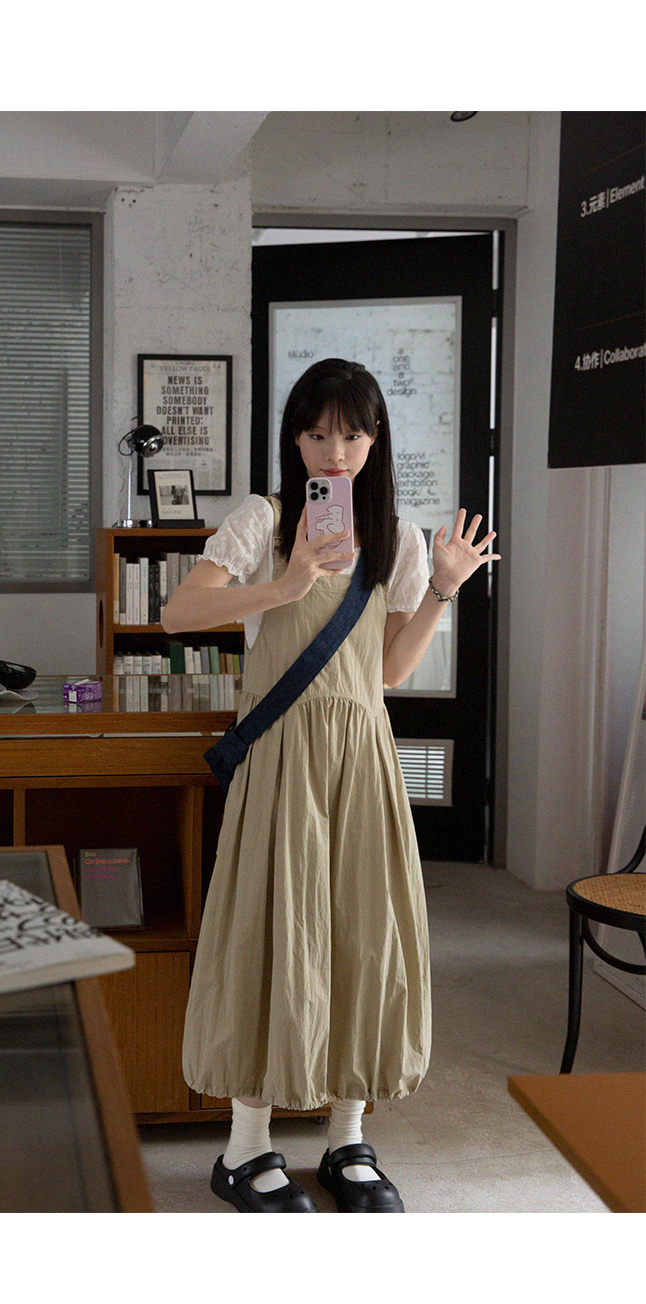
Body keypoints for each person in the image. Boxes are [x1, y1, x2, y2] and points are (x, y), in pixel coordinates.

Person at [162, 358, 500, 1213]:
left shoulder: (400, 540)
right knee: (270, 933)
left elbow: (386, 671)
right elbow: (176, 615)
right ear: (296, 439)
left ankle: (349, 1137)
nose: (334, 452)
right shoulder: (265, 520)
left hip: (362, 759)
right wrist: (285, 584)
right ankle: (245, 1149)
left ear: (375, 440)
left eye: (351, 434)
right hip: (281, 756)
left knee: (362, 934)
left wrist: (444, 591)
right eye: (317, 434)